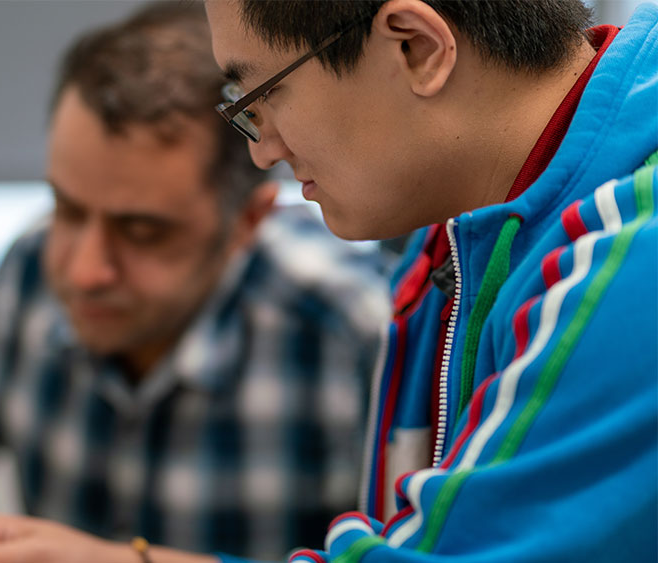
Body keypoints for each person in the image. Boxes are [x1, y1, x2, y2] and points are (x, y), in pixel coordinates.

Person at [0, 3, 389, 563]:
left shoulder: (354, 325)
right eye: (67, 209)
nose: (83, 270)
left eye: (143, 231)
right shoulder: (31, 273)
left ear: (248, 221)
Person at [202, 0, 656, 561]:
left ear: (416, 47)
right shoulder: (451, 237)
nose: (262, 149)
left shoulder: (632, 261)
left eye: (263, 93)